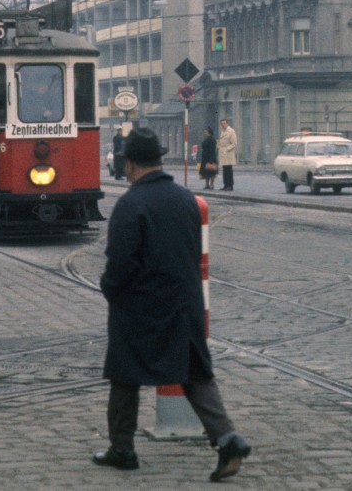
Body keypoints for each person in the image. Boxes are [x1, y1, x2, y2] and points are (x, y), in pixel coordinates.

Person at [93, 127, 251, 482]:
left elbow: (121, 262)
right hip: (185, 302)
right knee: (195, 373)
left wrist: (110, 289)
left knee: (124, 375)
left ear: (130, 164)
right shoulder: (185, 199)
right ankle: (227, 438)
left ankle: (123, 449)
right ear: (160, 160)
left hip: (140, 306)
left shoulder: (131, 204)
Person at [217, 118, 237, 191]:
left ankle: (230, 185)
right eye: (221, 123)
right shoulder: (222, 132)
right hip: (223, 153)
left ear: (227, 123)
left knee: (229, 170)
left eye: (224, 123)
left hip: (228, 154)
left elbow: (234, 143)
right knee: (225, 170)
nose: (223, 125)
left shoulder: (231, 131)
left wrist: (227, 149)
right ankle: (225, 185)